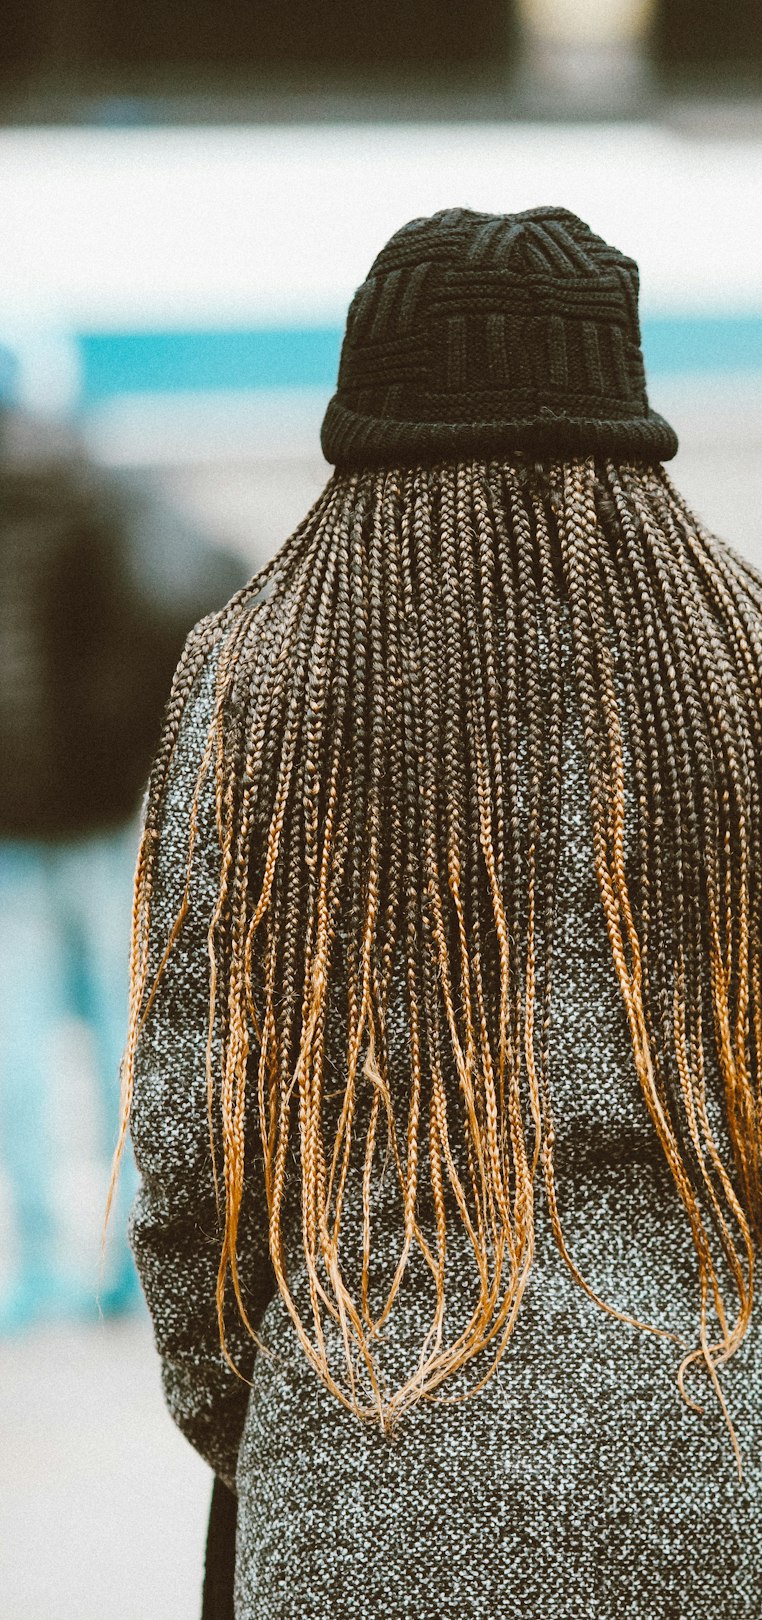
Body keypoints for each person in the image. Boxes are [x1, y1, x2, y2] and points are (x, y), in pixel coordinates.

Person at [122, 207, 762, 1620]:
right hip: (722, 1438)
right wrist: (745, 1335)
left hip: (367, 1423)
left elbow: (189, 1144)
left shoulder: (253, 680)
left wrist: (271, 1412)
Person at [0, 387, 244, 1331]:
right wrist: (135, 734)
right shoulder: (99, 491)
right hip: (106, 814)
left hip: (9, 825)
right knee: (125, 1040)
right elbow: (209, 586)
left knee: (16, 1050)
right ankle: (131, 1265)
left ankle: (41, 1269)